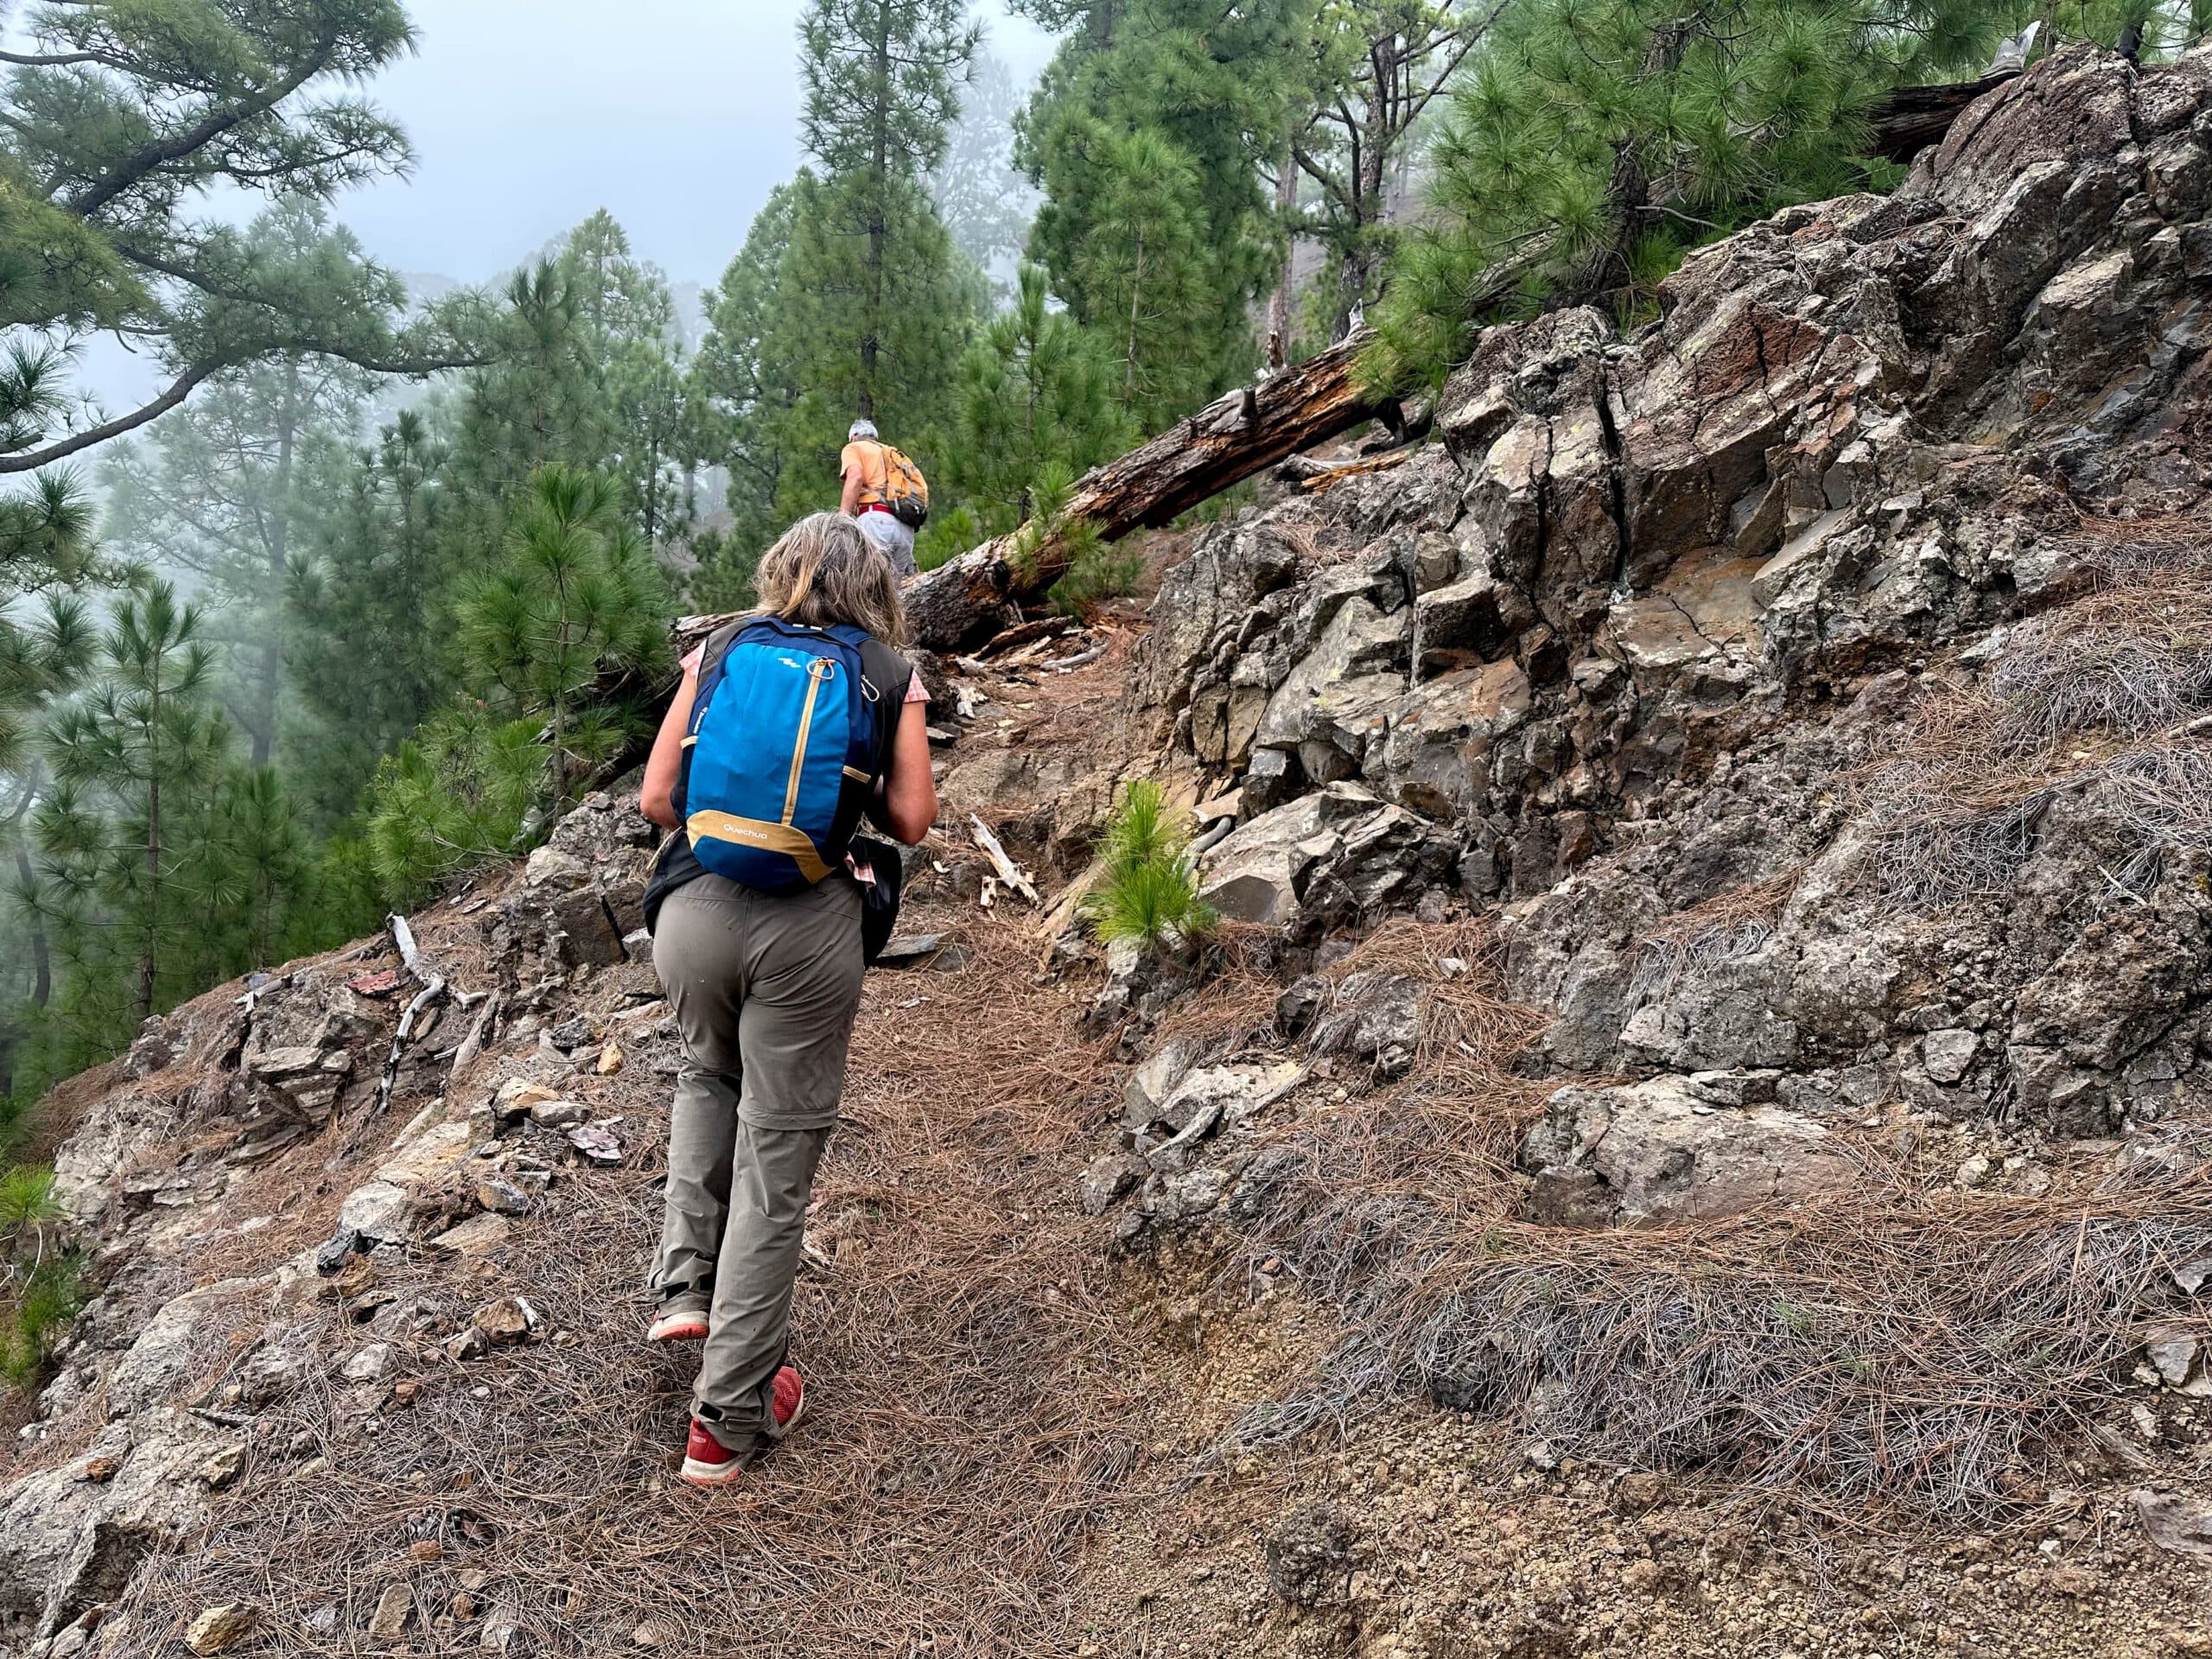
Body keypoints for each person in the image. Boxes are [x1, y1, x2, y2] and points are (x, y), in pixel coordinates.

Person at [637, 512, 938, 1486]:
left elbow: (656, 800)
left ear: (781, 572)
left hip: (691, 913)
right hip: (804, 930)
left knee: (704, 1070)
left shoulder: (722, 648)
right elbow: (912, 821)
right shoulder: (886, 672)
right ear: (871, 584)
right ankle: (726, 1419)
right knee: (777, 1161)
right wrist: (911, 707)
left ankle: (687, 1283)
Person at [837, 417, 919, 577]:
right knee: (899, 589)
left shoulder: (854, 447)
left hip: (876, 520)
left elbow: (855, 477)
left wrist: (843, 516)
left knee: (870, 584)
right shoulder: (894, 453)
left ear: (853, 437)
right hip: (906, 526)